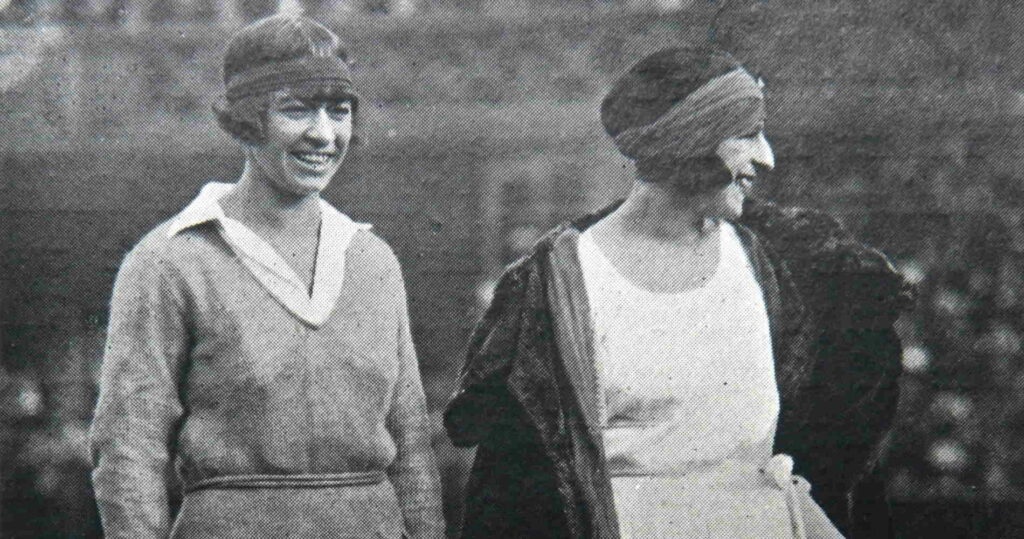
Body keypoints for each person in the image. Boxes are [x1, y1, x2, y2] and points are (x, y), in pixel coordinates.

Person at [445, 47, 911, 538]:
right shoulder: (563, 280)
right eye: (748, 135)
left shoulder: (771, 265)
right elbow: (511, 486)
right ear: (691, 140)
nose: (766, 158)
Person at [89, 14, 444, 538]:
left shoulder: (373, 261)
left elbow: (411, 445)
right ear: (249, 120)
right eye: (296, 110)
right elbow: (128, 450)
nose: (323, 134)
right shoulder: (171, 262)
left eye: (339, 112)